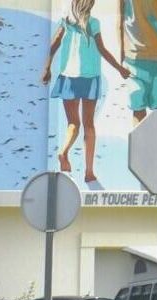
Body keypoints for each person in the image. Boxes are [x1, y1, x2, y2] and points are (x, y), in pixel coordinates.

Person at [41, 0, 131, 184]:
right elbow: (102, 50)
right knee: (89, 125)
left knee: (73, 123)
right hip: (90, 78)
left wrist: (47, 68)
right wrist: (119, 69)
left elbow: (53, 45)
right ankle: (89, 172)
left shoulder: (66, 21)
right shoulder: (93, 23)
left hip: (68, 76)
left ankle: (63, 151)